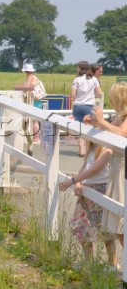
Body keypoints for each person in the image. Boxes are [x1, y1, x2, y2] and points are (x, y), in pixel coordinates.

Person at [90, 82, 127, 268]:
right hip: (116, 174)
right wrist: (95, 123)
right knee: (115, 225)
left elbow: (121, 134)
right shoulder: (120, 117)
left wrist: (102, 122)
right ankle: (117, 263)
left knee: (121, 224)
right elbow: (107, 131)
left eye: (113, 98)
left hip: (122, 174)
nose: (111, 101)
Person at [59, 139, 113, 265]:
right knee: (83, 226)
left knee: (105, 229)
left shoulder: (107, 149)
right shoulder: (91, 149)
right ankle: (88, 262)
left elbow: (94, 170)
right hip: (86, 190)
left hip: (100, 190)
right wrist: (78, 182)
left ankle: (113, 262)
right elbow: (84, 168)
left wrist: (72, 180)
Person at [71, 61, 102, 157]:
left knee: (79, 128)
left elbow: (72, 95)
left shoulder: (76, 80)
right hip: (89, 106)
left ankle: (81, 150)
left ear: (80, 68)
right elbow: (99, 93)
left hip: (78, 106)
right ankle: (89, 149)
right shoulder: (94, 79)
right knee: (89, 128)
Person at [14, 63, 42, 144]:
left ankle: (36, 139)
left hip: (35, 100)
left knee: (34, 121)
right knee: (34, 120)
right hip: (37, 99)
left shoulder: (30, 77)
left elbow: (29, 87)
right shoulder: (33, 77)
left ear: (26, 71)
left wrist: (16, 87)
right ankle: (35, 138)